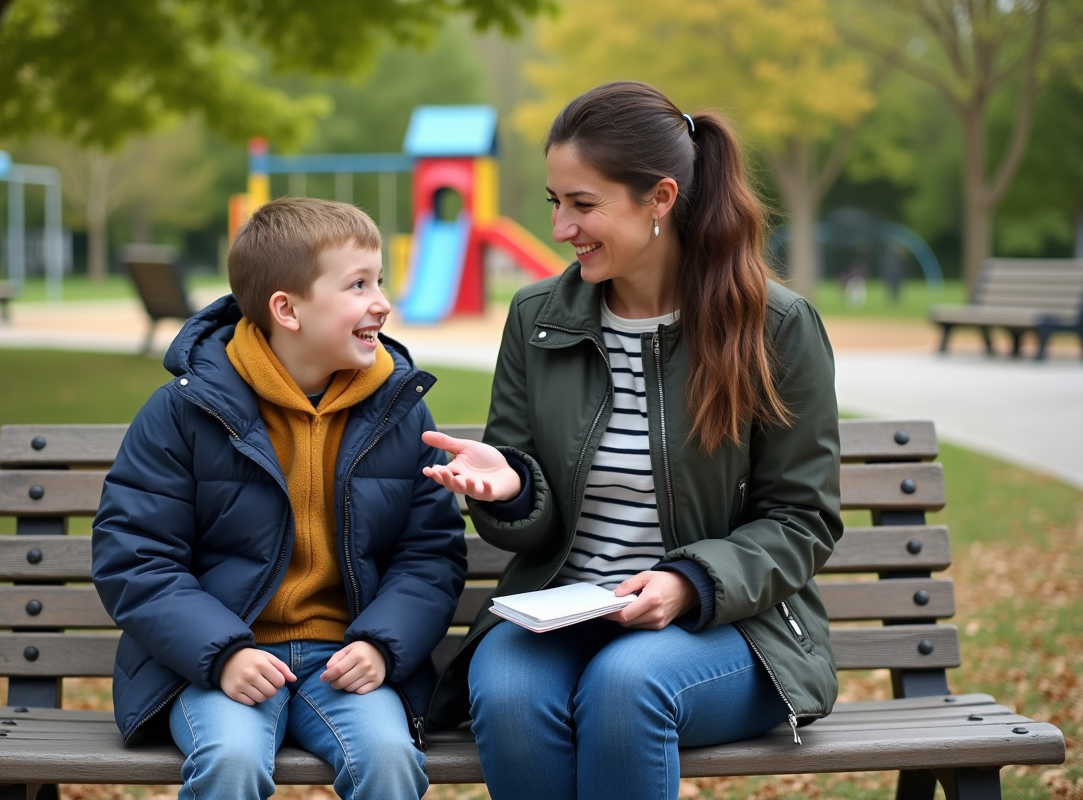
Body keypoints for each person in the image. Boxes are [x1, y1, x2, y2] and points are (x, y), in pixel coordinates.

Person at [422, 81, 843, 800]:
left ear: (661, 198)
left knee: (626, 686)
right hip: (561, 611)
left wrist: (690, 583)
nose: (562, 228)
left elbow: (802, 518)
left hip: (731, 629)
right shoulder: (537, 318)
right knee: (511, 695)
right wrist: (514, 490)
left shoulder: (774, 326)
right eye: (554, 203)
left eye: (583, 205)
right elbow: (529, 514)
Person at [91, 197, 467, 800]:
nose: (382, 303)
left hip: (345, 659)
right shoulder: (184, 412)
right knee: (231, 760)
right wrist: (223, 654)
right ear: (287, 309)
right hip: (222, 660)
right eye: (357, 285)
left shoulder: (399, 411)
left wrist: (380, 644)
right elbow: (135, 556)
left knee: (391, 758)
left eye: (380, 281)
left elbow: (429, 555)